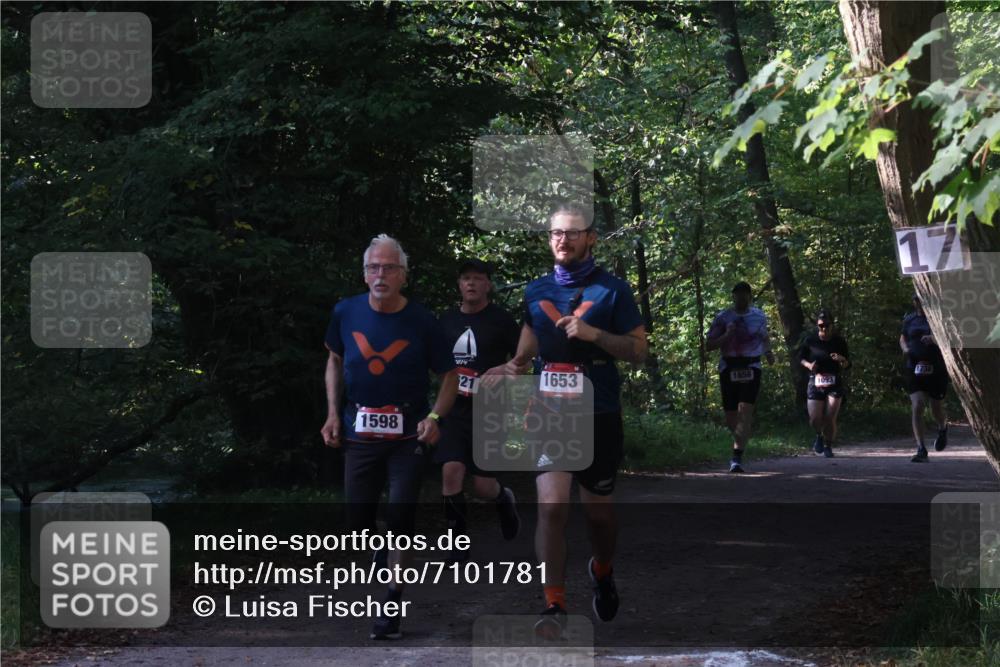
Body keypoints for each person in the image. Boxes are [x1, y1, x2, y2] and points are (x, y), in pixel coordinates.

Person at [484, 202, 647, 637]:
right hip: (550, 408)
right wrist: (510, 368)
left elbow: (638, 350)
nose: (563, 239)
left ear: (590, 238)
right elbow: (529, 343)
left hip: (599, 408)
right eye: (556, 232)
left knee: (598, 517)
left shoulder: (613, 291)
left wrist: (594, 334)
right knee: (552, 506)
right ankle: (554, 603)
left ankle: (602, 568)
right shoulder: (536, 291)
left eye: (572, 233)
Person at [320, 234, 458, 640]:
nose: (381, 274)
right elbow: (333, 359)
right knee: (358, 521)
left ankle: (391, 602)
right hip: (358, 429)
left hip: (407, 431)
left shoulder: (422, 321)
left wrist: (435, 416)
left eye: (389, 268)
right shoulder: (345, 312)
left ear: (404, 275)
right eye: (374, 267)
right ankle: (381, 548)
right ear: (365, 274)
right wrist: (332, 412)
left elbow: (449, 376)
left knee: (400, 514)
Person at [436, 258, 522, 562]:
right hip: (453, 408)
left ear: (488, 285)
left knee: (483, 486)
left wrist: (502, 369)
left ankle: (503, 498)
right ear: (459, 285)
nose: (471, 283)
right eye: (466, 278)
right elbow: (432, 362)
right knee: (451, 471)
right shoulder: (445, 322)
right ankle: (456, 544)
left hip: (490, 410)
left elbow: (523, 361)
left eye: (478, 278)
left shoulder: (502, 321)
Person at [705, 282, 776, 473]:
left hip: (752, 366)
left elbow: (764, 337)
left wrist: (768, 352)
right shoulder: (723, 317)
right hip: (729, 367)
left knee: (745, 412)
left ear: (750, 296)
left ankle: (736, 458)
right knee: (731, 418)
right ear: (733, 296)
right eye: (738, 294)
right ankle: (741, 438)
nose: (742, 297)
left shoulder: (759, 316)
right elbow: (709, 345)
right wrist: (726, 335)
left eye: (745, 294)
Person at [900, 294, 948, 463]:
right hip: (914, 368)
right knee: (918, 405)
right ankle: (921, 448)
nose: (919, 303)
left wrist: (934, 339)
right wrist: (905, 348)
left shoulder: (938, 317)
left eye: (921, 300)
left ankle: (943, 428)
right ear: (914, 302)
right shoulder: (909, 319)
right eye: (916, 300)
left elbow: (949, 337)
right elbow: (903, 337)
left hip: (936, 368)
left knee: (936, 408)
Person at [798, 311, 850, 458]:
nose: (824, 329)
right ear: (817, 325)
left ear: (832, 325)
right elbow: (801, 358)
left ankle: (828, 445)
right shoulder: (810, 340)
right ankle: (819, 435)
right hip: (815, 382)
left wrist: (841, 359)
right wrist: (809, 365)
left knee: (829, 416)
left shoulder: (839, 342)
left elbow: (847, 364)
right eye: (821, 326)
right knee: (814, 418)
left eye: (827, 325)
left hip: (834, 383)